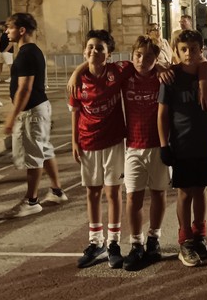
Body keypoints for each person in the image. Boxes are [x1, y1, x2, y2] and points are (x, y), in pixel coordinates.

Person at [70, 30, 131, 269]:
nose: (94, 51)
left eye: (100, 48)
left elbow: (141, 62)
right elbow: (75, 112)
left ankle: (113, 242)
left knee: (113, 193)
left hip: (114, 141)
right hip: (87, 143)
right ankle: (96, 242)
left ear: (109, 54)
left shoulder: (117, 71)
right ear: (85, 51)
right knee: (92, 193)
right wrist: (74, 142)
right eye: (91, 47)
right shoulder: (77, 80)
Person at [158, 29, 207, 267]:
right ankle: (185, 240)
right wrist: (164, 145)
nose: (189, 54)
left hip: (203, 142)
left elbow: (205, 66)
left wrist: (203, 81)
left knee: (200, 190)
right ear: (177, 52)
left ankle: (199, 233)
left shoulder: (206, 73)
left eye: (193, 49)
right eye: (184, 50)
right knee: (184, 192)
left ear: (200, 50)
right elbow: (162, 114)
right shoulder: (170, 78)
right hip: (180, 144)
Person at [2, 13, 66, 217]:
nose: (6, 31)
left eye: (9, 27)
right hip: (38, 108)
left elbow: (24, 89)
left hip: (31, 111)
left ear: (21, 30)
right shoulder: (30, 51)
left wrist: (12, 117)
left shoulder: (27, 53)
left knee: (33, 156)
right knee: (44, 150)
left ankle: (32, 200)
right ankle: (56, 191)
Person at [121, 36, 170, 270]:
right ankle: (136, 243)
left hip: (158, 145)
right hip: (133, 146)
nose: (142, 60)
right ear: (132, 55)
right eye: (138, 55)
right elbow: (95, 65)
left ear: (156, 58)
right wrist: (75, 72)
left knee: (159, 193)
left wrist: (162, 67)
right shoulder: (124, 76)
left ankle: (154, 239)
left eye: (149, 56)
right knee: (133, 197)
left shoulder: (162, 78)